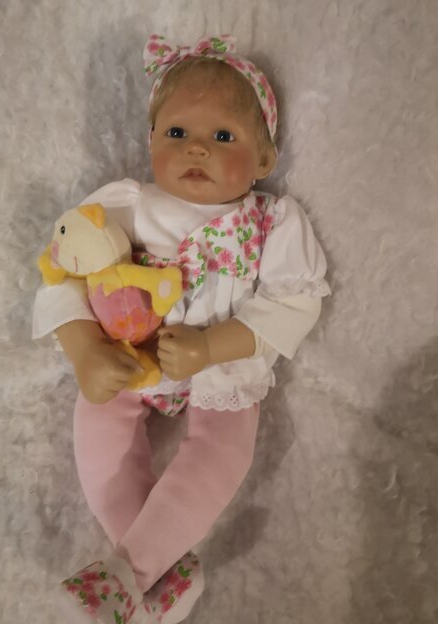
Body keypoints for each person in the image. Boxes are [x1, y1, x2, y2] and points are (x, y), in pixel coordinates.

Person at [32, 34, 331, 624]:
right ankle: (154, 576)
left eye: (223, 137)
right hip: (131, 354)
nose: (196, 148)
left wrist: (212, 346)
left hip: (221, 364)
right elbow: (64, 270)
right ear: (150, 143)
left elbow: (294, 302)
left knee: (222, 454)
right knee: (99, 430)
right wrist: (85, 349)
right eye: (176, 133)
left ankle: (133, 576)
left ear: (264, 160)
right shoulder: (128, 205)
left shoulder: (272, 221)